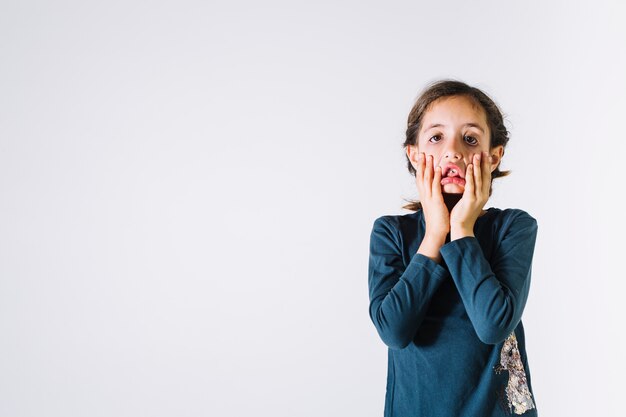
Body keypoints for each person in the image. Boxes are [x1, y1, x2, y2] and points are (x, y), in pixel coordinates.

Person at [368, 80, 539, 417]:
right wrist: (434, 233)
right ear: (414, 155)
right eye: (436, 137)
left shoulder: (513, 227)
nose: (453, 152)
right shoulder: (391, 232)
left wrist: (461, 229)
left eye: (470, 139)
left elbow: (493, 324)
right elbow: (394, 330)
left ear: (493, 156)